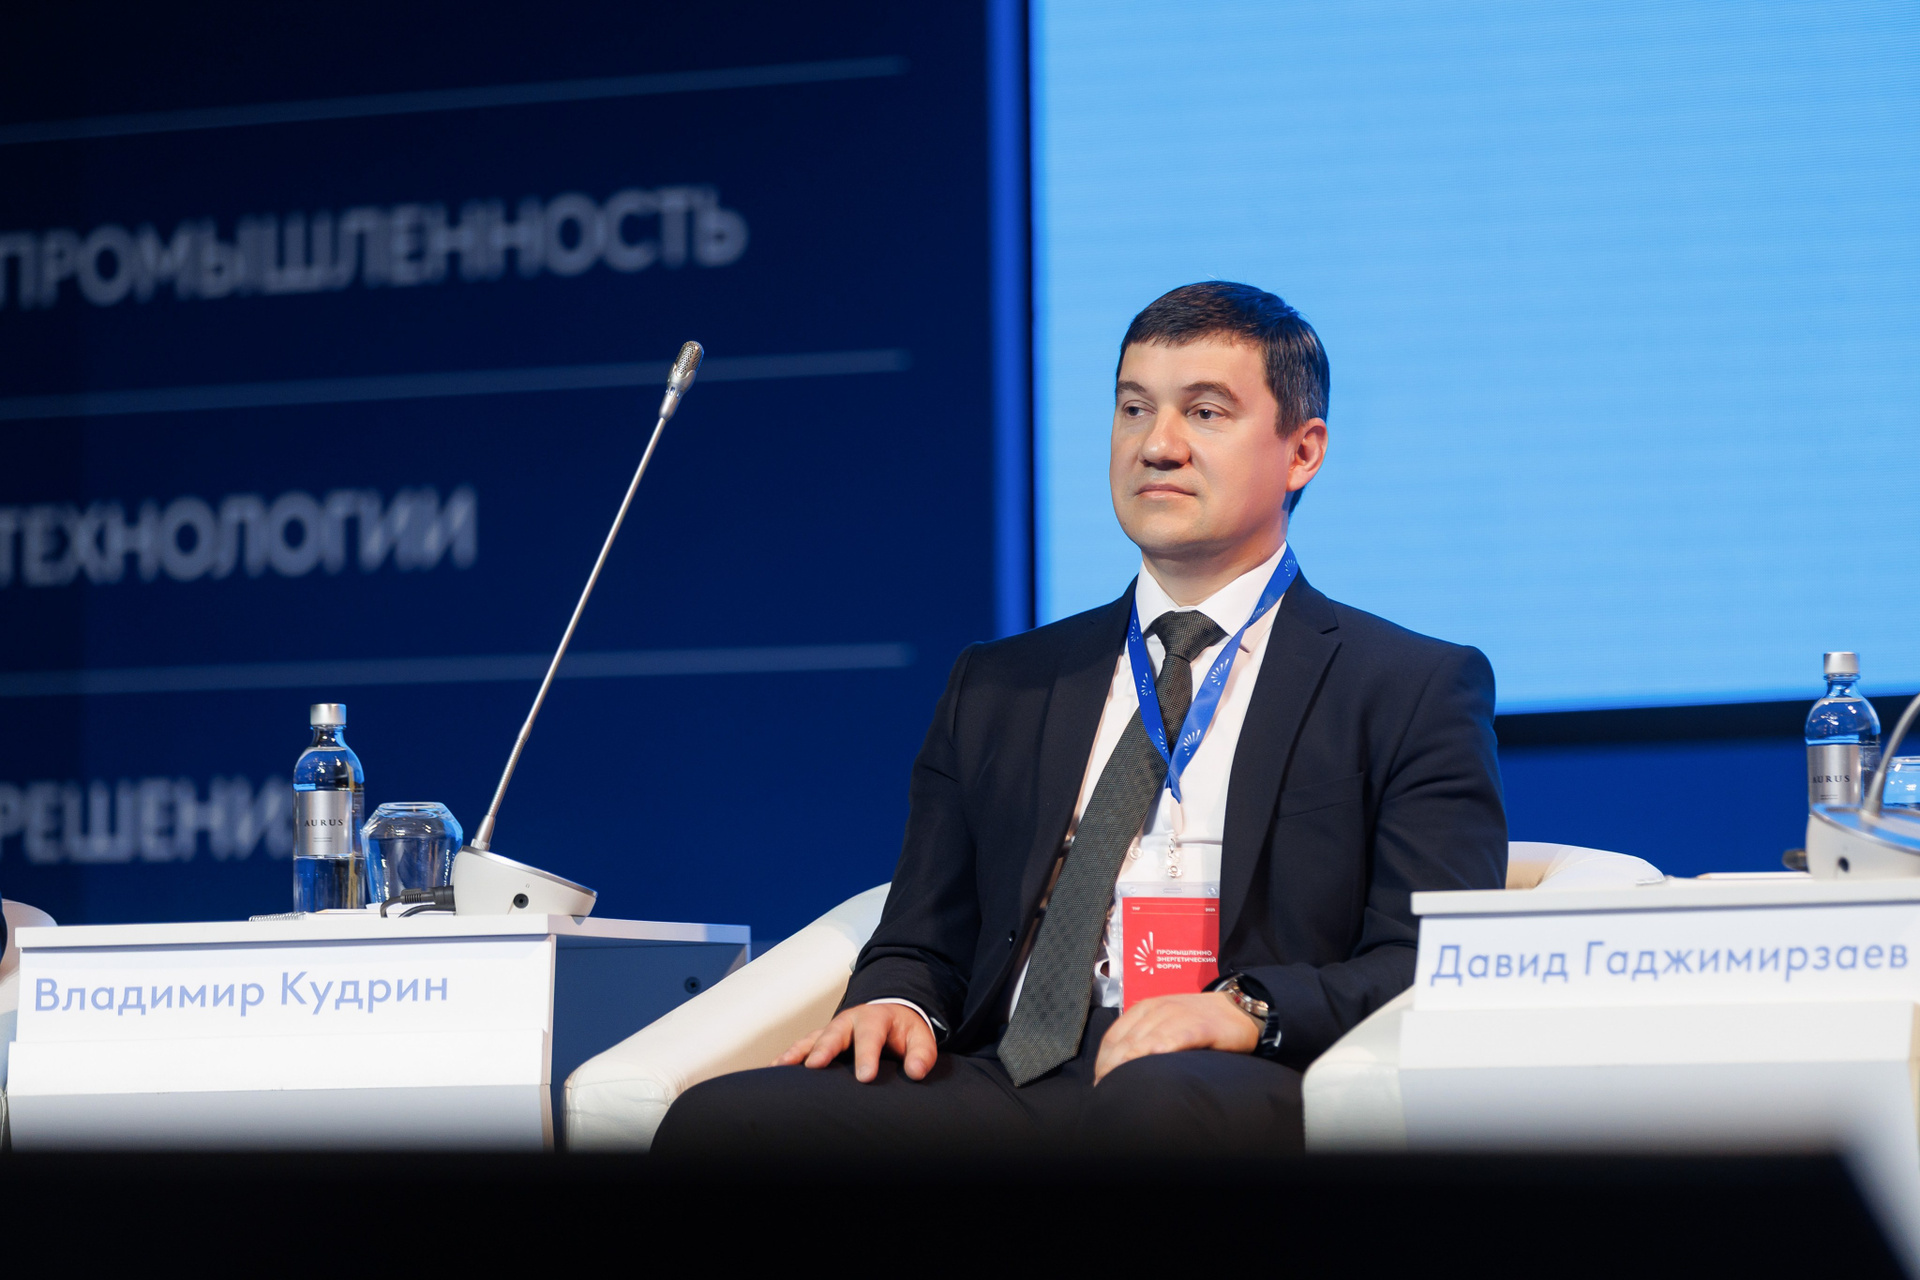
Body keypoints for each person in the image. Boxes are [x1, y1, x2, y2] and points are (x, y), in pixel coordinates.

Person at [653, 281, 1506, 1160]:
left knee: (1151, 1111)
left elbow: (1430, 958)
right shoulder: (1001, 684)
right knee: (726, 1123)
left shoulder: (1407, 687)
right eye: (1134, 408)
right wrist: (897, 1000)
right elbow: (921, 935)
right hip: (1013, 1069)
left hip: (1238, 1074)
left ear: (1303, 452)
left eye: (1205, 412)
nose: (1158, 445)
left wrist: (1247, 1009)